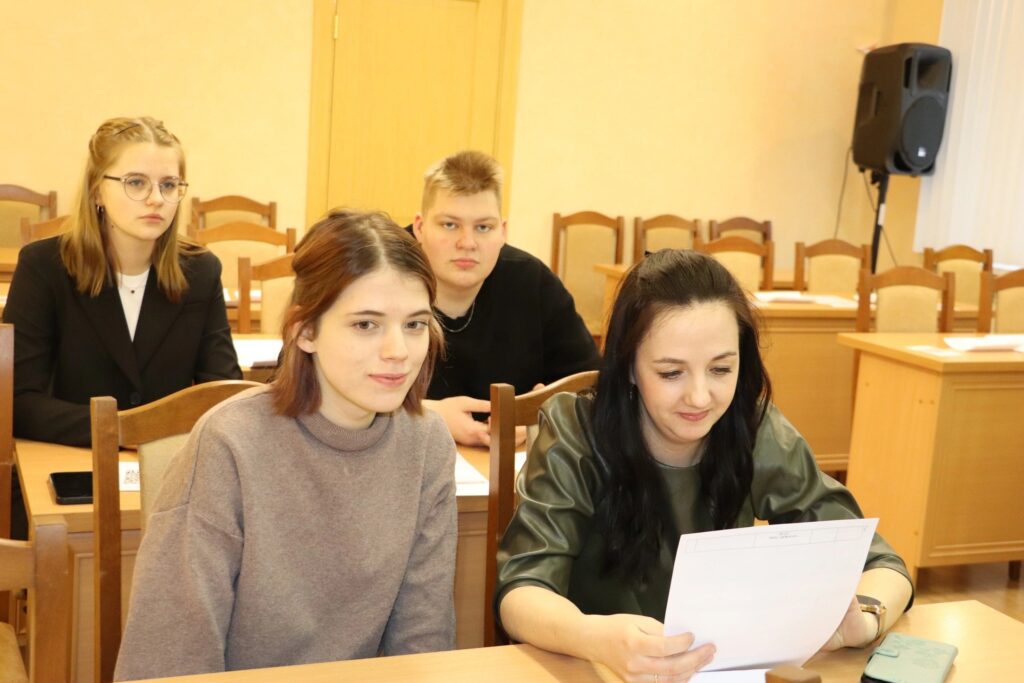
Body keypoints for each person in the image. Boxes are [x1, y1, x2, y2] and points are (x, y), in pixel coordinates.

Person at [495, 249, 914, 682]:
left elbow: (881, 562)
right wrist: (597, 638)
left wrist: (865, 620)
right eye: (671, 373)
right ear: (630, 366)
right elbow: (521, 590)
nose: (699, 397)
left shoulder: (752, 429)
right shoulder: (575, 431)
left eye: (721, 369)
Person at [115, 210, 458, 680]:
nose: (398, 351)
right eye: (366, 325)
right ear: (305, 331)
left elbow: (423, 643)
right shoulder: (229, 444)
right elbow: (171, 659)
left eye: (415, 324)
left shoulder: (427, 443)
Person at [3, 116, 241, 447]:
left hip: (170, 464)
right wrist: (123, 429)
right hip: (70, 457)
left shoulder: (202, 272)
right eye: (136, 182)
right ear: (97, 191)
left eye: (168, 185)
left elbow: (223, 396)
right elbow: (17, 402)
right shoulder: (44, 267)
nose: (156, 198)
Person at [411, 150, 600, 446]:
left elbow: (594, 387)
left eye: (483, 227)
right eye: (450, 225)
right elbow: (338, 389)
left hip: (508, 464)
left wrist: (544, 417)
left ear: (503, 231)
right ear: (420, 227)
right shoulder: (383, 277)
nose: (467, 243)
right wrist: (426, 415)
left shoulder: (534, 283)